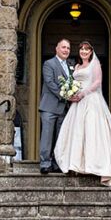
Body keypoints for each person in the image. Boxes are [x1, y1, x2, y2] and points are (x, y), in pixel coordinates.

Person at [54, 40, 111, 188]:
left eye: (87, 49)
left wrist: (83, 93)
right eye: (81, 49)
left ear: (91, 52)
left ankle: (95, 165)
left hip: (91, 100)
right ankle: (77, 165)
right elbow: (73, 83)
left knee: (92, 131)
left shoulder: (95, 64)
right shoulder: (77, 66)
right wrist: (72, 93)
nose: (84, 52)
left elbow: (97, 82)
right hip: (78, 102)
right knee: (78, 132)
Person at [39, 37, 72, 174]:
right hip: (49, 107)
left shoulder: (70, 65)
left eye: (68, 48)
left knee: (61, 137)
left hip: (64, 108)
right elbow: (50, 83)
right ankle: (45, 163)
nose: (66, 50)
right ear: (57, 49)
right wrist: (65, 95)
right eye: (63, 47)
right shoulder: (49, 64)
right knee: (47, 136)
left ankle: (57, 163)